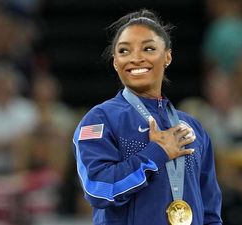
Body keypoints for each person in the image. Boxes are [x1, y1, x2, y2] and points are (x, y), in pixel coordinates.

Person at [71, 9, 222, 225]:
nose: (136, 58)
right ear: (115, 62)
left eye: (148, 48)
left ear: (167, 56)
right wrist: (156, 154)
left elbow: (210, 212)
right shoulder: (100, 119)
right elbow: (98, 188)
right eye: (124, 51)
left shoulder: (192, 127)